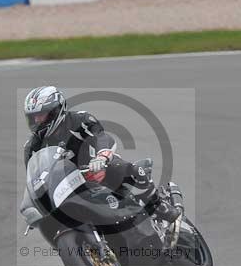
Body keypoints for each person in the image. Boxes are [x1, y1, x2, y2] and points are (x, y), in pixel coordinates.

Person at [22, 85, 182, 223]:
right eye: (33, 118)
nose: (37, 122)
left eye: (41, 115)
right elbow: (34, 180)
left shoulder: (79, 119)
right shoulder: (31, 147)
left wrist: (101, 157)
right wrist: (33, 209)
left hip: (96, 168)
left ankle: (158, 204)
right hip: (68, 187)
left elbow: (102, 137)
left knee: (121, 167)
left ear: (56, 110)